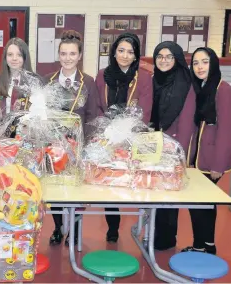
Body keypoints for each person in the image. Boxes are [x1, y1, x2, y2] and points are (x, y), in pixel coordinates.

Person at [44, 30, 101, 247]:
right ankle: (58, 227)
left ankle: (75, 229)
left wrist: (84, 143)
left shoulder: (88, 81)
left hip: (79, 146)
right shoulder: (48, 80)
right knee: (55, 189)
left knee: (77, 190)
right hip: (53, 146)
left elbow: (92, 115)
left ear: (79, 56)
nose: (67, 58)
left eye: (72, 54)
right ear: (58, 55)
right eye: (63, 53)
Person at [94, 32, 153, 243]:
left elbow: (144, 111)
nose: (125, 56)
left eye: (130, 52)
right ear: (114, 52)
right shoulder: (102, 75)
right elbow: (99, 106)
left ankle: (143, 224)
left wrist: (125, 131)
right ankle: (113, 226)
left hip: (133, 139)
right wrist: (107, 131)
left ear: (136, 55)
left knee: (134, 181)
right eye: (121, 50)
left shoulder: (144, 77)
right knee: (110, 181)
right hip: (108, 138)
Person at [185, 47, 231, 255]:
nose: (199, 67)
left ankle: (204, 246)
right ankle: (204, 245)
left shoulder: (223, 90)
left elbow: (227, 130)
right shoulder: (202, 88)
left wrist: (217, 165)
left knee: (202, 204)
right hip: (198, 157)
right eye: (196, 63)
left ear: (214, 63)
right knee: (200, 204)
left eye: (204, 62)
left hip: (211, 161)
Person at [149, 41, 196, 251]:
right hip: (155, 143)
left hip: (174, 146)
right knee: (155, 189)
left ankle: (166, 238)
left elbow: (187, 122)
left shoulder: (186, 83)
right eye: (160, 56)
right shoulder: (154, 80)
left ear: (176, 59)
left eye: (169, 57)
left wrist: (179, 150)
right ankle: (154, 233)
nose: (164, 60)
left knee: (170, 194)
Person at [0, 37, 43, 116]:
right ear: (5, 58)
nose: (14, 58)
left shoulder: (35, 81)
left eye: (19, 55)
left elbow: (40, 112)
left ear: (25, 57)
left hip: (25, 127)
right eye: (10, 54)